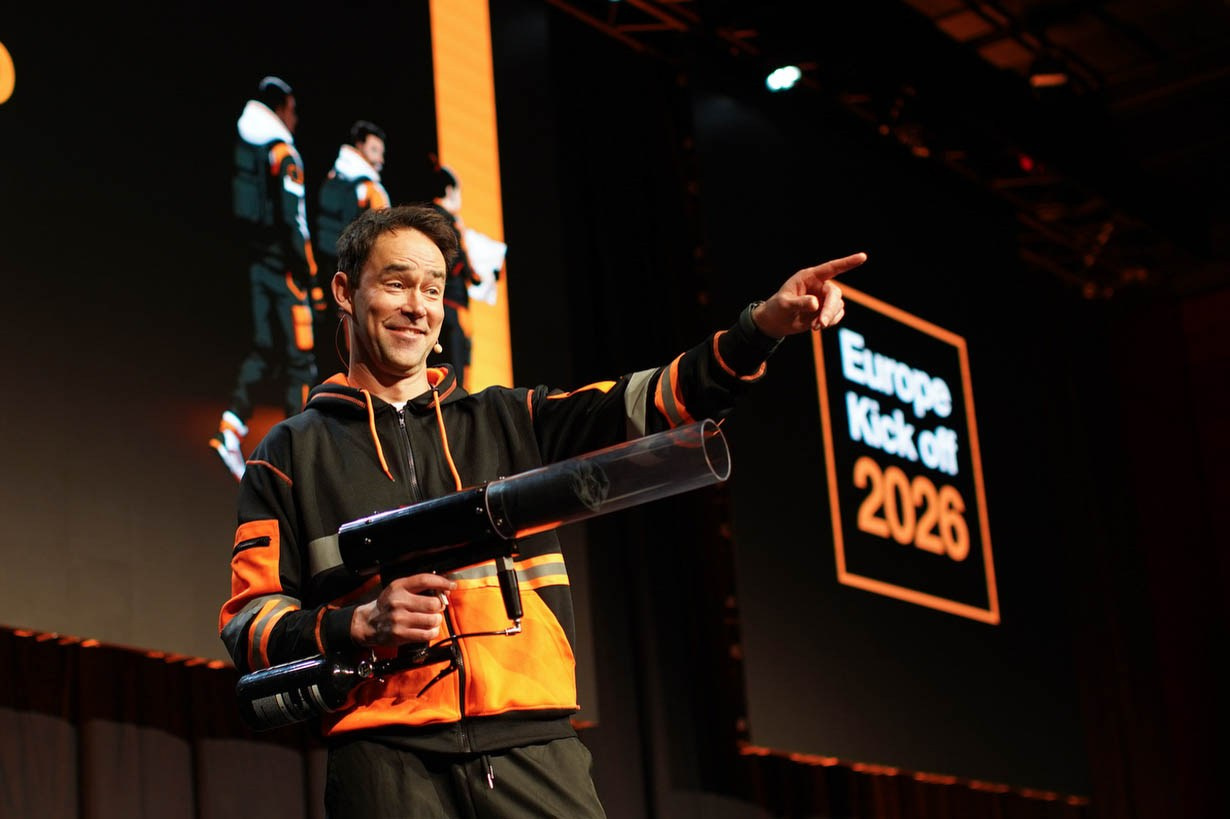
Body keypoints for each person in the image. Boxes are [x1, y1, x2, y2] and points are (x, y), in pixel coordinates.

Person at [218, 204, 863, 817]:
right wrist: (355, 624)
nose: (418, 306)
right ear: (344, 291)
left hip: (533, 743)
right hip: (382, 756)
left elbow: (656, 402)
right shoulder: (289, 454)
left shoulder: (511, 419)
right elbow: (248, 623)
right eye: (396, 283)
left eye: (434, 289)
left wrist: (761, 329)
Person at [210, 75, 324, 482]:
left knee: (266, 350)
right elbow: (295, 221)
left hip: (257, 262)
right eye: (293, 110)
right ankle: (300, 458)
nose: (296, 118)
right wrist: (310, 274)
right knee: (301, 361)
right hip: (287, 272)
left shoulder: (249, 144)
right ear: (281, 108)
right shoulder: (282, 153)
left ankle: (231, 426)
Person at [314, 120, 392, 375]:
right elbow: (386, 241)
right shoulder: (370, 189)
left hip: (331, 278)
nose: (380, 159)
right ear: (359, 146)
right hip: (361, 281)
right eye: (374, 150)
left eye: (381, 152)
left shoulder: (332, 178)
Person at [424, 161, 483, 388]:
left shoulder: (431, 219)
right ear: (449, 191)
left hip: (442, 307)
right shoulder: (445, 222)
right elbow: (454, 263)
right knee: (454, 377)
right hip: (449, 308)